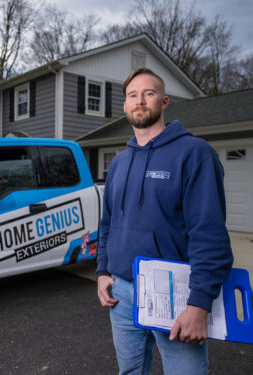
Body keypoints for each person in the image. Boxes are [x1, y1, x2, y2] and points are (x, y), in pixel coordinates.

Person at [96, 67, 233, 374]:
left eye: (149, 93)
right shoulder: (119, 162)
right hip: (121, 292)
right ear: (125, 106)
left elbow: (208, 233)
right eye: (133, 95)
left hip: (175, 294)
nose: (140, 100)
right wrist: (103, 270)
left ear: (165, 101)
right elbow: (106, 224)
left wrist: (199, 304)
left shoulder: (194, 154)